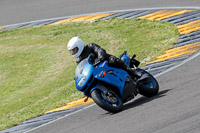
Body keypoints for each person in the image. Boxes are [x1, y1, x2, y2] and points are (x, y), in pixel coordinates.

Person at [67, 36, 141, 78]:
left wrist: (101, 56)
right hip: (96, 70)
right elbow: (82, 69)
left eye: (74, 50)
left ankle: (132, 72)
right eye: (72, 51)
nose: (73, 52)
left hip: (104, 61)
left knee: (113, 60)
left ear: (79, 45)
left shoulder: (90, 46)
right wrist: (78, 76)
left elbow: (99, 49)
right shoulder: (79, 61)